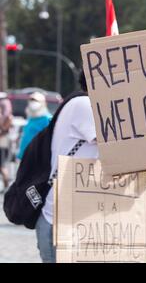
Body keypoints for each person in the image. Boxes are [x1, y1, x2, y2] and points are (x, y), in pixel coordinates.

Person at [36, 72, 98, 263]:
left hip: (71, 226)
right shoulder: (85, 105)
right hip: (64, 228)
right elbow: (120, 146)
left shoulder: (81, 104)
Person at [17, 92, 52, 160]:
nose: (33, 102)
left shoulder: (47, 119)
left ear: (43, 103)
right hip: (24, 156)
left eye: (36, 101)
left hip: (37, 157)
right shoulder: (30, 118)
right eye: (31, 100)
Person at [0, 92, 12, 193]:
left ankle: (7, 186)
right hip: (4, 142)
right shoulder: (7, 113)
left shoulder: (5, 114)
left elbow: (4, 127)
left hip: (2, 142)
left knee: (2, 165)